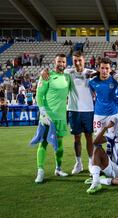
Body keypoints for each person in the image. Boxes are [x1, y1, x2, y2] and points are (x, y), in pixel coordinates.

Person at [41, 51, 96, 175]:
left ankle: (91, 162)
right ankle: (78, 163)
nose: (77, 63)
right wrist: (43, 71)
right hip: (73, 110)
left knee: (89, 137)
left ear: (84, 60)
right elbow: (54, 72)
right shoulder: (68, 72)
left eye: (79, 60)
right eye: (75, 60)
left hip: (88, 110)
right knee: (76, 138)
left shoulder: (90, 73)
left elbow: (104, 75)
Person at [34, 53, 72, 183]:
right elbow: (39, 95)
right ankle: (40, 171)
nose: (61, 64)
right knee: (43, 143)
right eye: (59, 62)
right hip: (48, 116)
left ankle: (58, 168)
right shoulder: (47, 75)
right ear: (54, 62)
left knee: (59, 144)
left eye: (63, 62)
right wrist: (43, 112)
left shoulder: (67, 77)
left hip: (61, 116)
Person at [85, 115, 118, 194]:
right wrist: (105, 128)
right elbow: (95, 142)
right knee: (97, 149)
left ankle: (98, 180)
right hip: (110, 165)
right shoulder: (113, 135)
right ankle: (96, 183)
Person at [89, 57, 118, 140]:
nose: (104, 71)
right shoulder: (93, 81)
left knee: (114, 139)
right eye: (102, 68)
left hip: (113, 113)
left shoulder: (115, 80)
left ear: (110, 70)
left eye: (107, 68)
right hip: (98, 114)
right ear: (98, 69)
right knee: (97, 140)